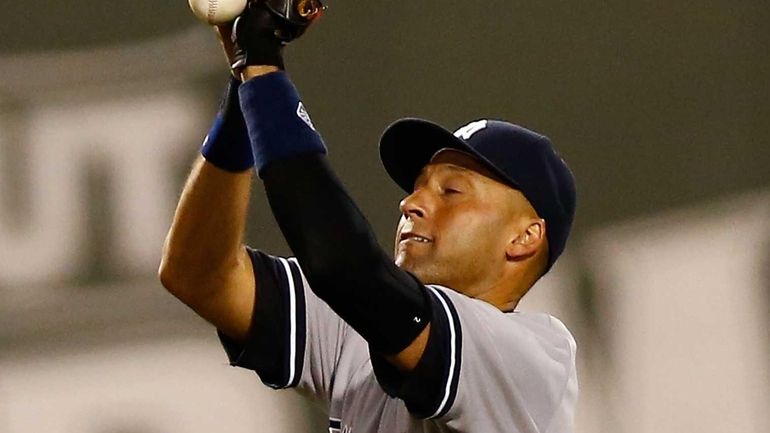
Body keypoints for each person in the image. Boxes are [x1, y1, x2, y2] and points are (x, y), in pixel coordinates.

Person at [160, 1, 578, 432]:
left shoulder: (529, 360)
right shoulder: (361, 332)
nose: (411, 203)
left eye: (451, 191)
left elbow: (344, 266)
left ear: (524, 237)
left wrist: (264, 67)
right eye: (417, 187)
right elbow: (199, 275)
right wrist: (245, 85)